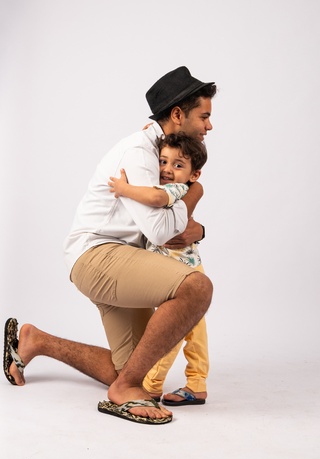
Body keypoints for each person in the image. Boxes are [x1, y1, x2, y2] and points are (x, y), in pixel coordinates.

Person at [4, 66, 216, 425]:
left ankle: (35, 340)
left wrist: (197, 224)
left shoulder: (161, 152)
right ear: (178, 115)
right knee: (197, 287)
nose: (209, 125)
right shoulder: (140, 153)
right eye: (204, 116)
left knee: (132, 368)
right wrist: (195, 193)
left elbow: (169, 226)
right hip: (98, 255)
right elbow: (162, 232)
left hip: (119, 257)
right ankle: (122, 393)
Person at [108, 132, 209, 406]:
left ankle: (151, 385)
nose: (166, 169)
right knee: (195, 332)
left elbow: (154, 199)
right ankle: (197, 384)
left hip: (179, 273)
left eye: (178, 165)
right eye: (163, 161)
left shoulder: (175, 189)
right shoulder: (180, 187)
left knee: (171, 331)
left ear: (193, 174)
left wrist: (124, 189)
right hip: (190, 267)